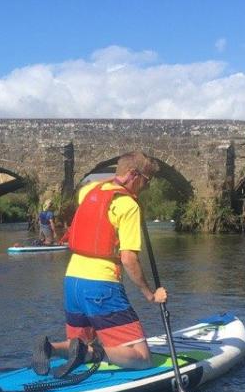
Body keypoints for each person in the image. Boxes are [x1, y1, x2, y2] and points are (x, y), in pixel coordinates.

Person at [32, 151, 167, 378]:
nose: (146, 187)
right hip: (101, 286)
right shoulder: (128, 206)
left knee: (82, 340)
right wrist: (151, 294)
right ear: (133, 175)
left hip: (72, 281)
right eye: (146, 181)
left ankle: (50, 348)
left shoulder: (88, 191)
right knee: (143, 357)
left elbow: (104, 187)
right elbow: (128, 259)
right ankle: (95, 354)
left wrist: (118, 181)